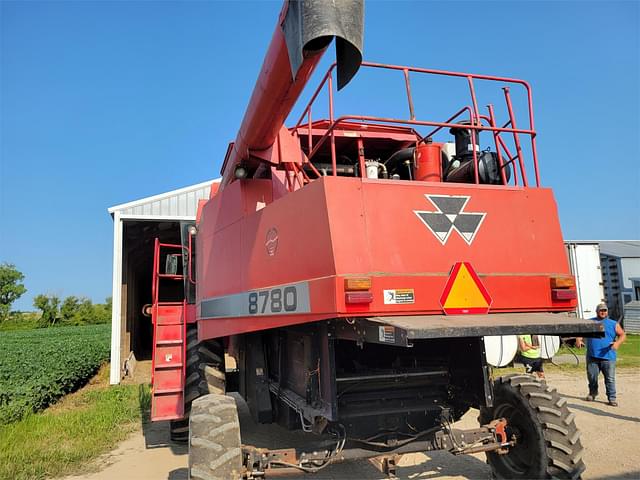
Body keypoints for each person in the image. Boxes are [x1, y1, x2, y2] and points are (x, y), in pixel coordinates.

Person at [576, 302, 626, 407]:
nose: (603, 312)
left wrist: (617, 343)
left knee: (610, 378)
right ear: (597, 311)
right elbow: (580, 332)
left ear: (607, 312)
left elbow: (622, 335)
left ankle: (612, 398)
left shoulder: (613, 324)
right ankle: (593, 393)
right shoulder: (590, 322)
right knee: (592, 377)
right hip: (592, 355)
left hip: (608, 356)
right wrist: (578, 339)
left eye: (605, 310)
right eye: (601, 310)